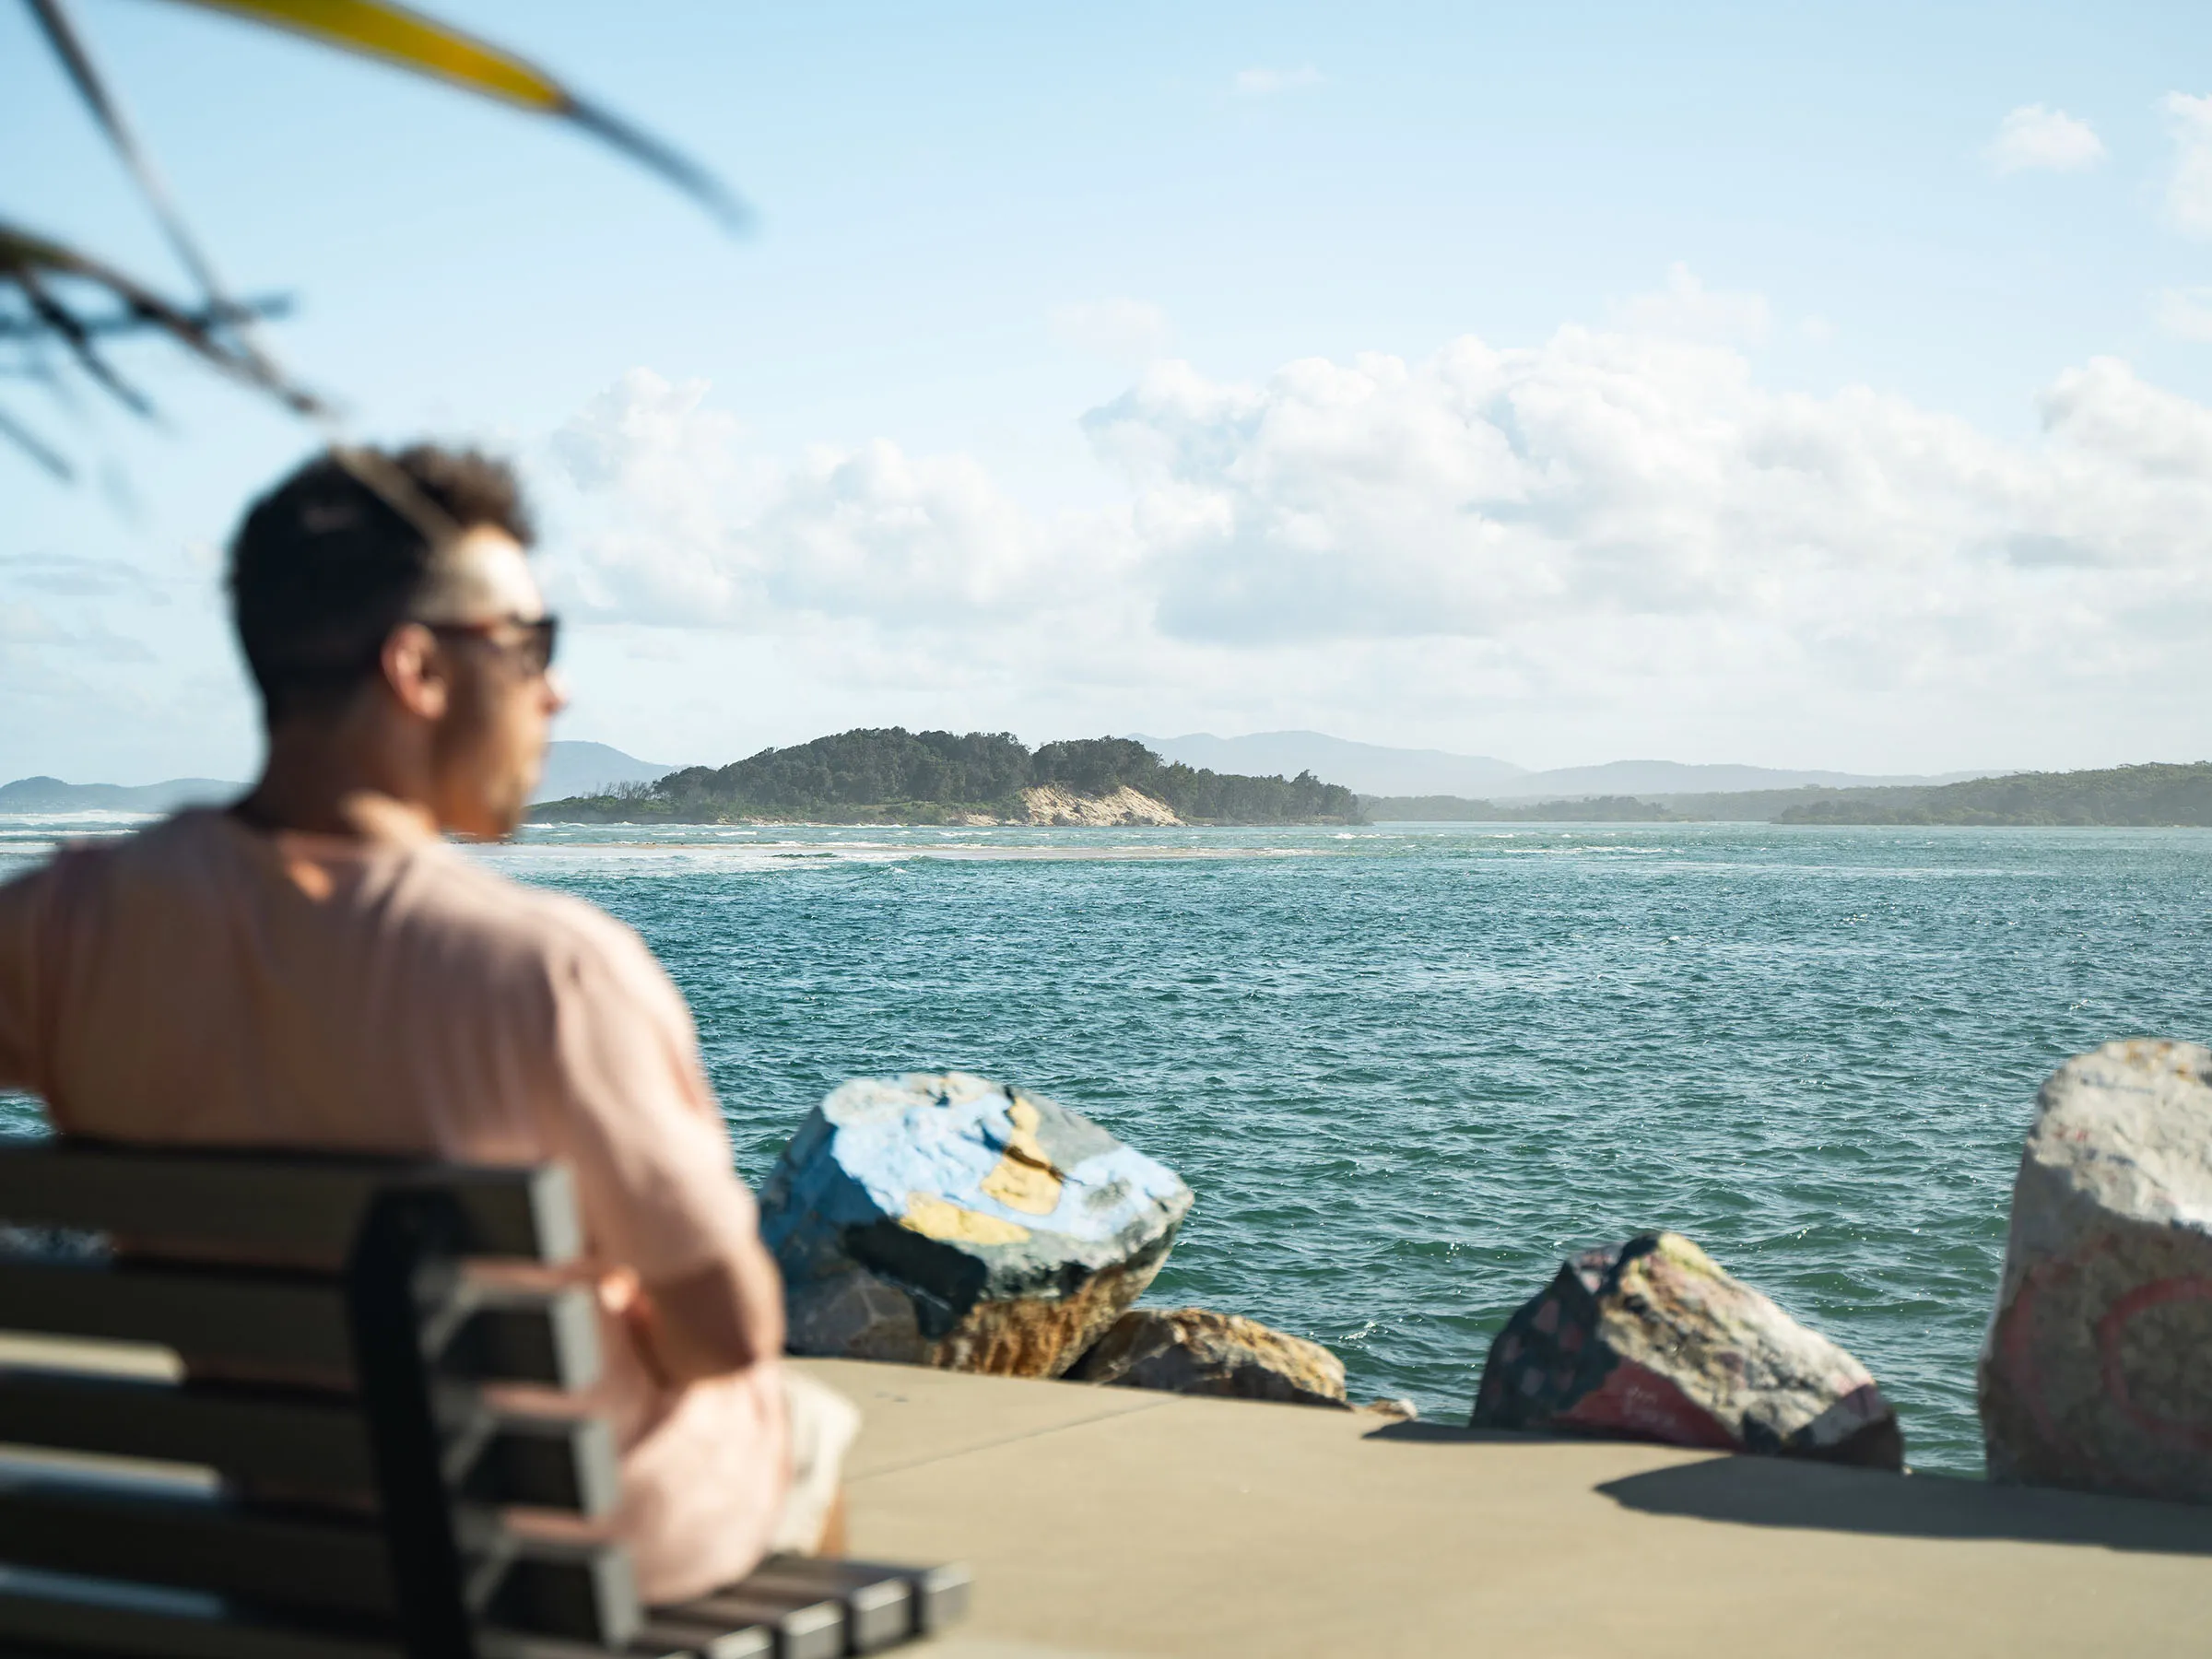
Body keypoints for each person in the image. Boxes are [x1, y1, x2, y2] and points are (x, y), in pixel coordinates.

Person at [0, 444, 854, 1605]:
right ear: (415, 668)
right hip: (550, 1560)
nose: (556, 692)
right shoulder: (552, 973)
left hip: (279, 1528)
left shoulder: (64, 927)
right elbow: (726, 1331)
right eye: (528, 647)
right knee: (801, 1423)